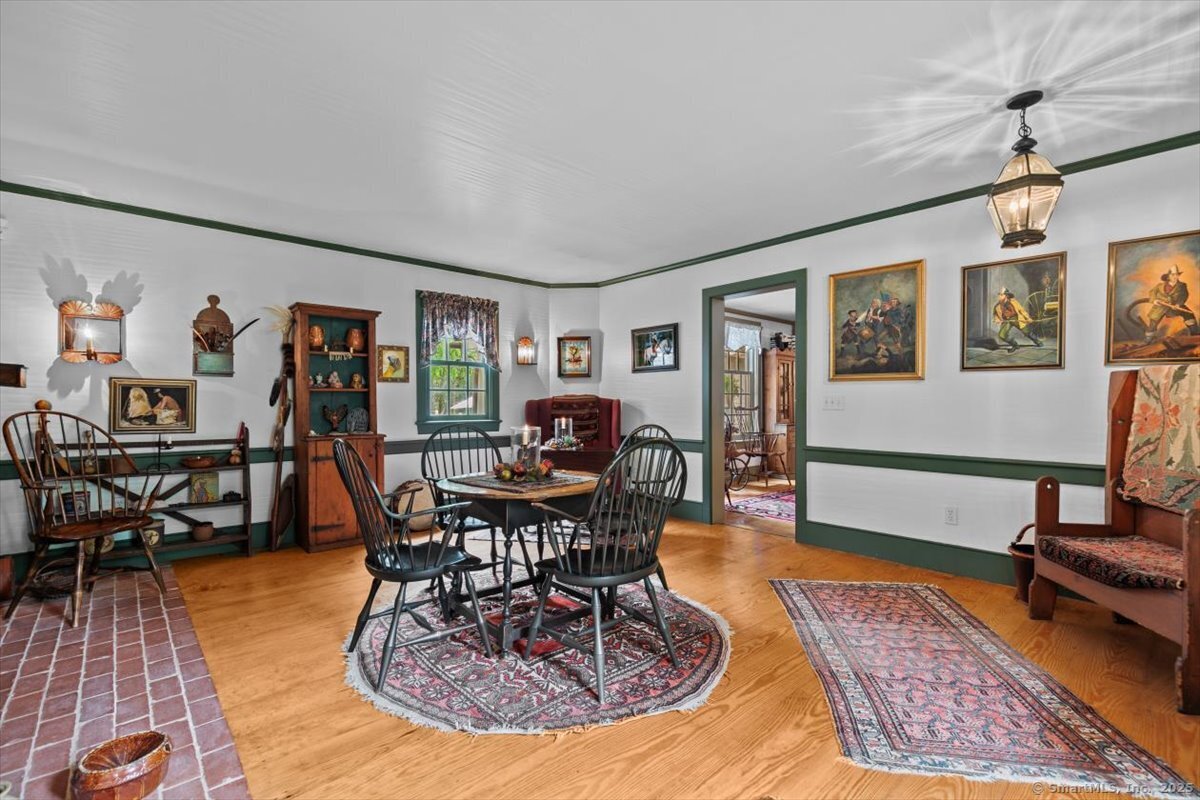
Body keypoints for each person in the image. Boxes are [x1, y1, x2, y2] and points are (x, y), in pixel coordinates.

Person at [1145, 264, 1198, 342]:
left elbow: (1184, 295)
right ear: (1168, 276)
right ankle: (1148, 339)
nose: (1175, 276)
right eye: (1173, 275)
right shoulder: (1160, 286)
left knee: (1189, 314)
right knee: (1153, 321)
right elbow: (1152, 293)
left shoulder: (1182, 285)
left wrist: (1179, 304)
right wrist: (1154, 301)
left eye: (1177, 274)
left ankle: (1195, 335)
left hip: (1175, 306)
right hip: (1161, 306)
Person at [993, 287, 1041, 353]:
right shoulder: (997, 306)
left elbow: (1022, 310)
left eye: (1001, 294)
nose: (999, 296)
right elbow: (995, 315)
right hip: (1007, 321)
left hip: (1016, 318)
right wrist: (997, 319)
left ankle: (1037, 341)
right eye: (999, 294)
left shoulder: (1013, 302)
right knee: (1002, 335)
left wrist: (1028, 318)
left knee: (1026, 332)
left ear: (1006, 296)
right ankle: (1015, 345)